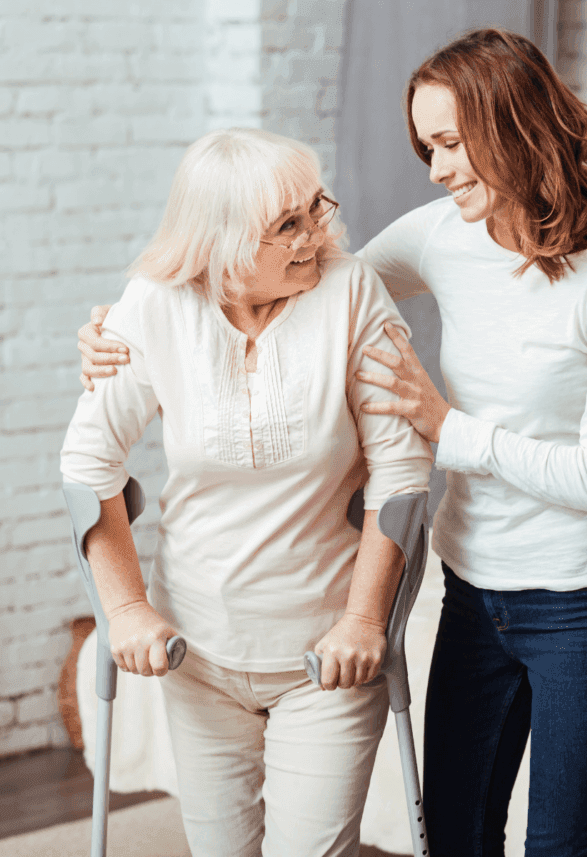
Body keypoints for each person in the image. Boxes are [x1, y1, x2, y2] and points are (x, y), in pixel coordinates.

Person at [77, 28, 587, 857]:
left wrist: (446, 426)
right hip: (472, 595)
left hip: (577, 605)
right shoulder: (445, 233)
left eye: (452, 142)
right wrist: (123, 329)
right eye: (428, 146)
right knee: (456, 838)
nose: (437, 168)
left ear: (513, 125)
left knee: (561, 846)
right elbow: (313, 281)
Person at [63, 127, 433, 857]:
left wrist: (364, 620)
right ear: (223, 243)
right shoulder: (155, 306)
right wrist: (128, 608)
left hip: (326, 653)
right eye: (287, 226)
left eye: (314, 210)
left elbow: (401, 472)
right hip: (196, 649)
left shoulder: (350, 290)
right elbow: (87, 464)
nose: (315, 237)